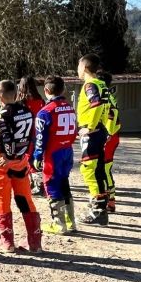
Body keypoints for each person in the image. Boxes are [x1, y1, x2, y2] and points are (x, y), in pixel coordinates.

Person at [0, 80, 41, 253]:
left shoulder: (2, 115)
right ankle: (35, 242)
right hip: (21, 160)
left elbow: (4, 141)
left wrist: (7, 158)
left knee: (2, 199)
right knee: (24, 199)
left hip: (3, 159)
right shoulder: (26, 111)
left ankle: (6, 242)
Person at [33, 75, 78, 235]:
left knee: (51, 184)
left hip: (53, 153)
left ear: (46, 90)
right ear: (63, 89)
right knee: (64, 182)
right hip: (68, 150)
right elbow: (75, 130)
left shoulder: (44, 112)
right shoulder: (70, 107)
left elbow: (40, 138)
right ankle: (70, 222)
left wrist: (37, 156)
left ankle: (58, 224)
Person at [76, 54, 112, 225]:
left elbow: (96, 104)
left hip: (92, 133)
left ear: (84, 68)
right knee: (97, 171)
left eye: (78, 66)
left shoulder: (90, 85)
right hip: (100, 132)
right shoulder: (101, 84)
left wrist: (89, 127)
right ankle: (101, 210)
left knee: (88, 170)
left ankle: (97, 209)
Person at [17, 76, 46, 195]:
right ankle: (35, 182)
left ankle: (39, 185)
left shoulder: (22, 102)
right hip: (39, 133)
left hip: (26, 134)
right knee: (36, 158)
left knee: (29, 158)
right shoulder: (40, 100)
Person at [98, 71, 121, 213]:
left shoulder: (107, 99)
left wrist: (108, 135)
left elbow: (112, 118)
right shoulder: (105, 96)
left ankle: (110, 202)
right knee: (102, 169)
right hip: (108, 137)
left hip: (109, 138)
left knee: (105, 170)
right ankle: (108, 200)